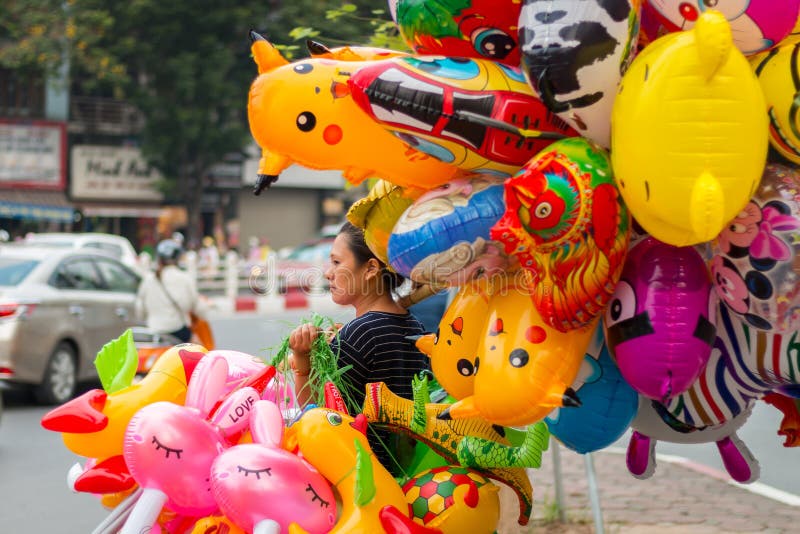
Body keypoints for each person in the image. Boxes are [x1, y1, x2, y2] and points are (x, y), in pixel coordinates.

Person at [289, 222, 429, 472]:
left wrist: (302, 359)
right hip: (403, 472)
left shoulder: (360, 333)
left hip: (359, 476)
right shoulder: (416, 327)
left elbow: (317, 412)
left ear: (370, 269)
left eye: (336, 262)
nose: (328, 273)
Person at [136, 239, 205, 343]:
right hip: (177, 331)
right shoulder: (184, 278)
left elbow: (140, 310)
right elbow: (193, 305)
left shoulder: (148, 279)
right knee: (200, 351)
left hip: (153, 331)